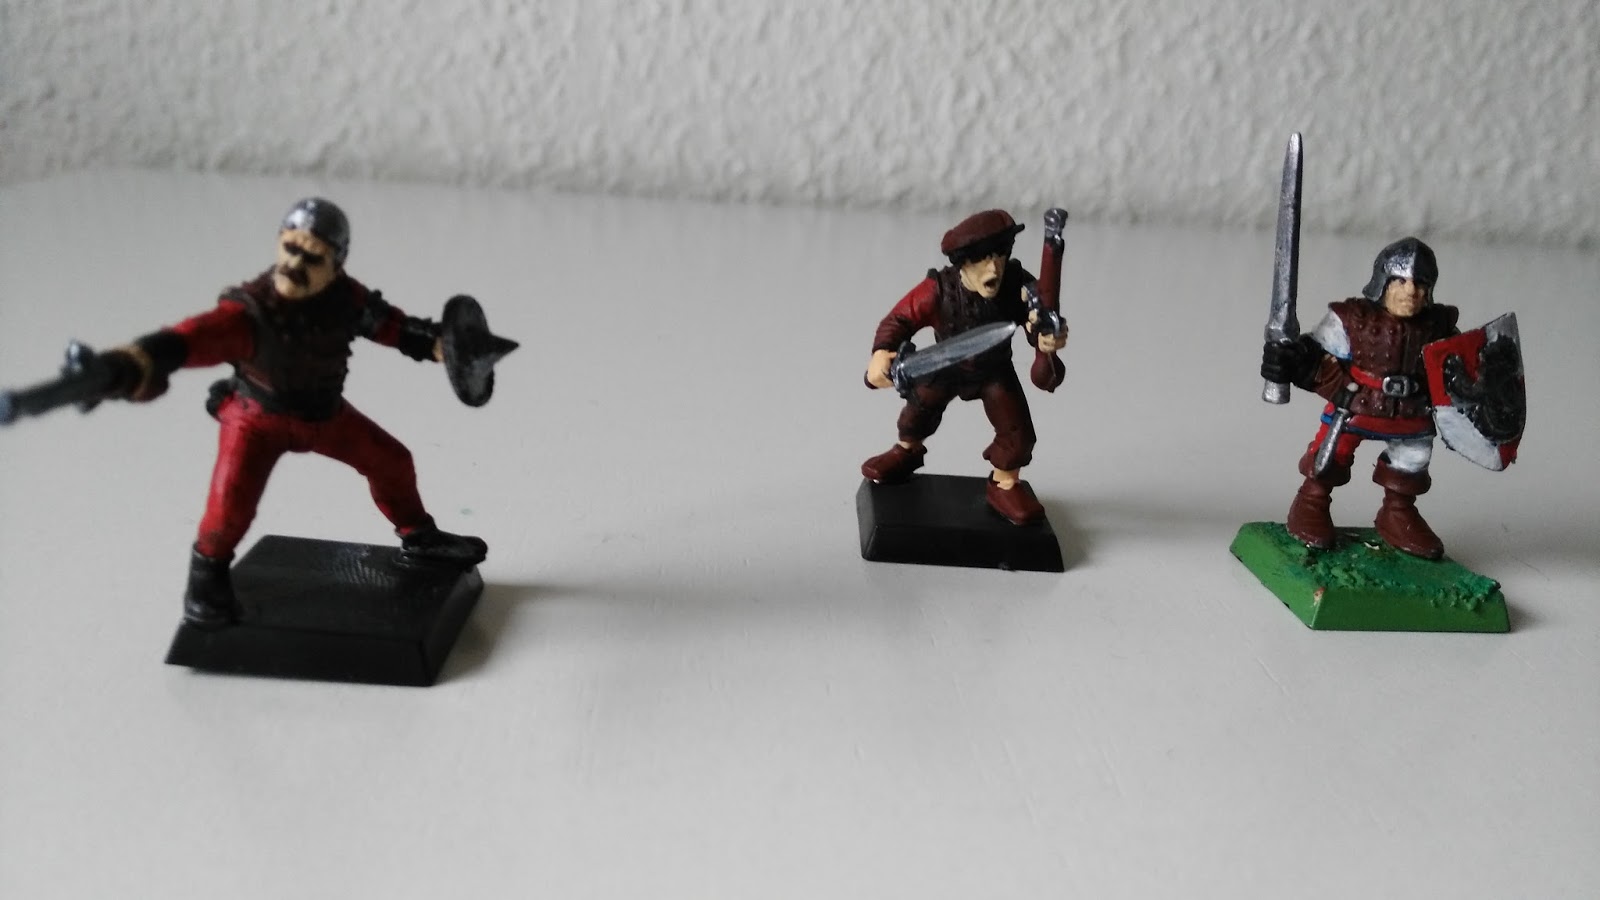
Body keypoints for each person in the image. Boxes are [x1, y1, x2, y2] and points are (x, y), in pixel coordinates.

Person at [100, 198, 486, 626]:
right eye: (290, 248)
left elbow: (393, 328)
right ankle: (205, 579)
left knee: (392, 462)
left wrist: (440, 344)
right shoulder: (251, 312)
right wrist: (137, 361)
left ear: (336, 265)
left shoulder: (348, 299)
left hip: (324, 416)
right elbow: (190, 339)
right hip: (255, 420)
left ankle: (420, 538)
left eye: (312, 256)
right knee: (228, 507)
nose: (295, 263)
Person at [860, 209, 1066, 525]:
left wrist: (1046, 337)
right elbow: (899, 318)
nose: (993, 268)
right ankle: (906, 451)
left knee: (1018, 432)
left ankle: (1004, 484)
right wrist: (881, 353)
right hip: (945, 366)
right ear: (963, 263)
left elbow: (1037, 317)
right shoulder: (939, 289)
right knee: (917, 412)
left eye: (999, 256)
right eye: (982, 260)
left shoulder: (1017, 285)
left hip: (994, 370)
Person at [1260, 237, 1459, 558]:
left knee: (1413, 458)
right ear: (1383, 282)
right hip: (1355, 402)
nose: (1410, 291)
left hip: (1412, 409)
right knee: (1330, 454)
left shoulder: (1438, 326)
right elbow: (1317, 348)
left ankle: (1398, 513)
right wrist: (1291, 360)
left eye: (1419, 283)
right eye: (1400, 281)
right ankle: (1312, 501)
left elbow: (1457, 365)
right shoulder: (1355, 319)